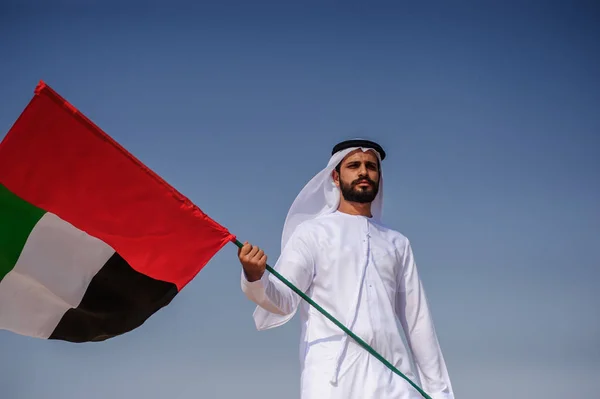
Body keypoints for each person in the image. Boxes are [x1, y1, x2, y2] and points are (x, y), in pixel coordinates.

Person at [238, 139, 454, 399]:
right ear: (336, 177)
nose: (364, 172)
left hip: (394, 379)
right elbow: (284, 299)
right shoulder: (312, 233)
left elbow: (418, 324)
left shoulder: (397, 243)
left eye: (371, 167)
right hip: (332, 379)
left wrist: (440, 393)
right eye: (354, 165)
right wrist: (255, 277)